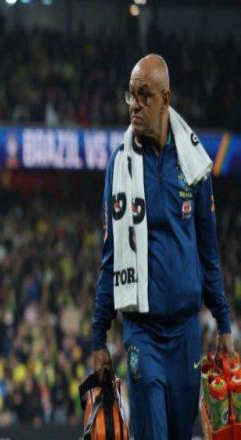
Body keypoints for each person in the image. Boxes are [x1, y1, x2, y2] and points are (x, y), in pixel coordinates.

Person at [92, 54, 233, 439]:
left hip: (186, 332)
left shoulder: (193, 164)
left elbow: (208, 251)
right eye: (131, 95)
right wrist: (98, 336)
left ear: (165, 100)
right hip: (142, 331)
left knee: (179, 433)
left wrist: (223, 322)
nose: (134, 105)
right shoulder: (119, 165)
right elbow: (111, 256)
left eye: (144, 95)